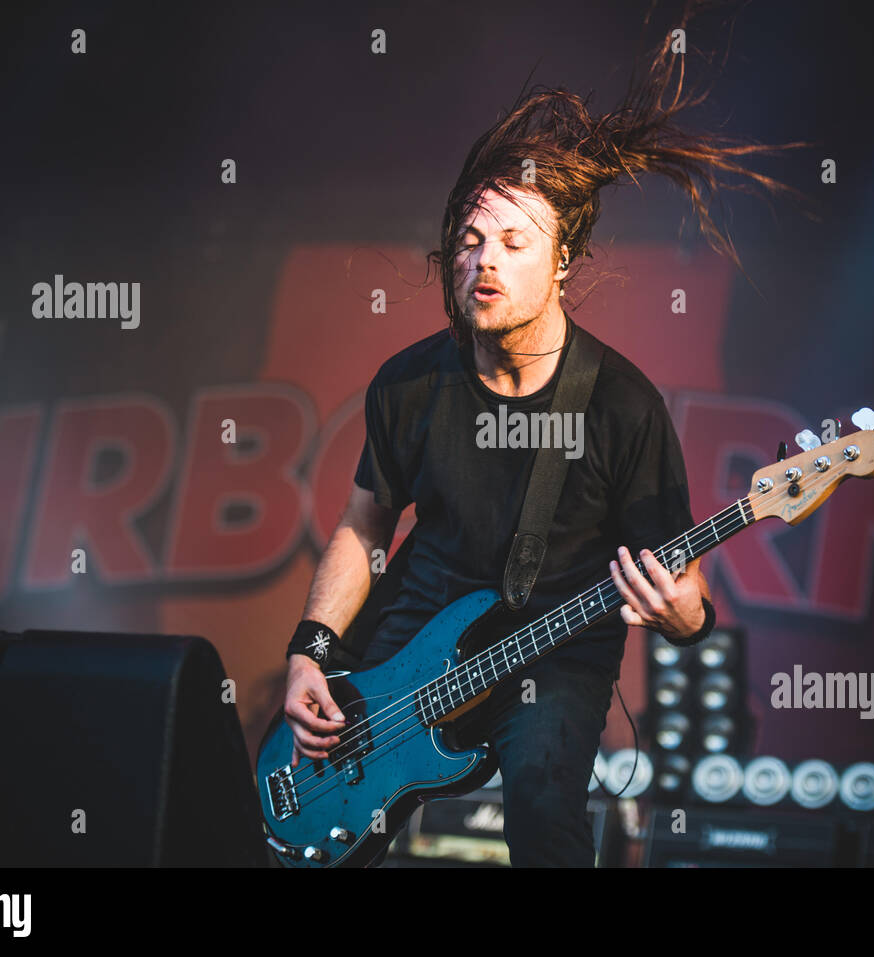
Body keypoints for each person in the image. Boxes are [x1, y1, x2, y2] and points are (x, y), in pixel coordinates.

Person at [282, 0, 810, 866]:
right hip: (416, 621)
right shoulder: (411, 382)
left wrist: (685, 615)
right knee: (338, 817)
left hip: (554, 644)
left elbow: (685, 598)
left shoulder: (623, 408)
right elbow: (364, 526)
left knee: (542, 806)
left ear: (563, 258)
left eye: (513, 242)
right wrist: (312, 652)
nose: (483, 260)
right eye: (468, 239)